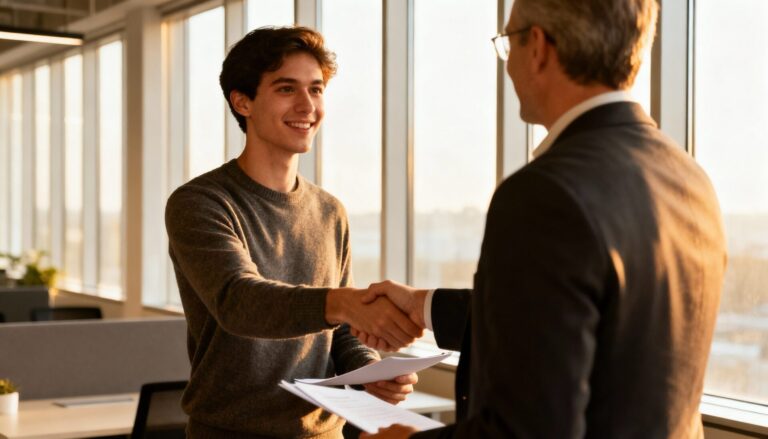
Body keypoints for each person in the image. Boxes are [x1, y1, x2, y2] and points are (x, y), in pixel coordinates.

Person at [353, 0, 727, 437]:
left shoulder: (544, 193)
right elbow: (594, 323)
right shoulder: (688, 176)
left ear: (539, 47)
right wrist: (424, 306)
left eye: (508, 43)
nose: (507, 64)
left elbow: (529, 429)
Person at [165, 26, 422, 438]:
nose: (307, 105)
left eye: (316, 90)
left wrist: (370, 369)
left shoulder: (330, 211)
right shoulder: (201, 202)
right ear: (242, 101)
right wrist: (347, 303)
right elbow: (240, 301)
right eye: (287, 89)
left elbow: (336, 328)